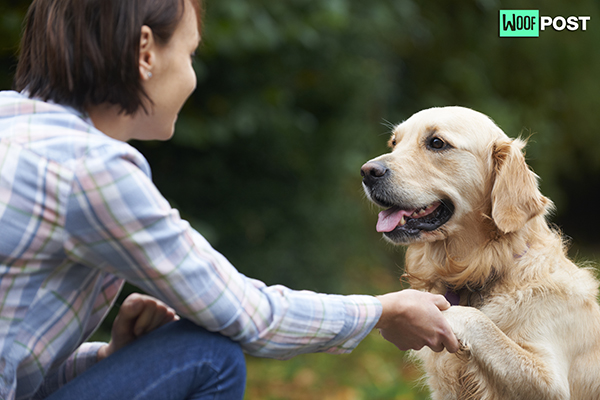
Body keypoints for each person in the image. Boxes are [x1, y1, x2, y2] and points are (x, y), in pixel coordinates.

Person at [0, 0, 459, 399]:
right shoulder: (91, 169)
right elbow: (249, 315)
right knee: (208, 354)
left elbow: (15, 369)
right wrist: (383, 310)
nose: (193, 77)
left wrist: (110, 357)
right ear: (145, 52)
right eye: (189, 53)